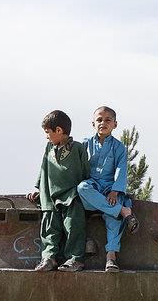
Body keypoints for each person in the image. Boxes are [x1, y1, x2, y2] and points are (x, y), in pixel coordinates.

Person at [76, 106, 139, 273]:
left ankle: (111, 257)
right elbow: (75, 168)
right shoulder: (84, 144)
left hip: (110, 189)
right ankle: (123, 211)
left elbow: (121, 169)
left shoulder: (118, 147)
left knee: (113, 217)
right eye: (99, 120)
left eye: (107, 120)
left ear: (115, 124)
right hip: (92, 189)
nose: (103, 123)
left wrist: (115, 191)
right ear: (93, 123)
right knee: (82, 187)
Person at [26, 110, 90, 272]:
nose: (46, 136)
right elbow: (43, 168)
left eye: (48, 132)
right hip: (50, 195)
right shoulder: (49, 147)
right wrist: (38, 188)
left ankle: (75, 259)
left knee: (74, 226)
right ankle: (49, 258)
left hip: (72, 194)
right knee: (49, 229)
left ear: (59, 130)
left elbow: (85, 171)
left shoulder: (78, 148)